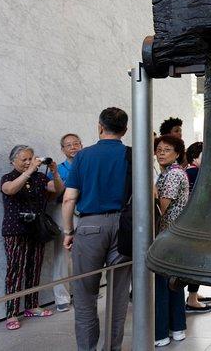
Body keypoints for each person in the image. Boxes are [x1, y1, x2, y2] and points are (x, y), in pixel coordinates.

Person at [62, 108, 132, 351]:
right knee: (118, 296)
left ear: (99, 127)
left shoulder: (84, 156)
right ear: (124, 130)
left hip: (90, 225)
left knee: (84, 295)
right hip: (124, 227)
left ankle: (88, 348)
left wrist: (69, 231)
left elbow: (69, 199)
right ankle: (112, 348)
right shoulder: (131, 155)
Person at [1, 145, 64, 330]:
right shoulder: (8, 178)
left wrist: (55, 172)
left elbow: (57, 189)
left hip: (37, 229)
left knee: (34, 268)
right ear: (13, 161)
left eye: (31, 158)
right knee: (15, 271)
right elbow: (10, 190)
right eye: (24, 159)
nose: (29, 162)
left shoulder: (39, 177)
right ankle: (11, 314)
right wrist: (29, 171)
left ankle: (31, 306)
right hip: (15, 230)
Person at [154, 135, 190, 346]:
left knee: (162, 285)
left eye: (167, 149)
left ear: (177, 153)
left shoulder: (173, 175)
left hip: (167, 237)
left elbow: (161, 207)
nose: (161, 152)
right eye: (159, 149)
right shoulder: (170, 173)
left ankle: (160, 334)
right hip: (174, 236)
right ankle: (177, 328)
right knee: (173, 284)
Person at [46, 133, 83, 312]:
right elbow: (54, 192)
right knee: (62, 255)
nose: (73, 147)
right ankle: (62, 297)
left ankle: (82, 293)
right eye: (69, 145)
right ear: (62, 150)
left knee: (84, 255)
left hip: (85, 212)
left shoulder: (88, 166)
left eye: (76, 143)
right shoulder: (58, 169)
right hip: (63, 212)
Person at [183, 141, 211, 313]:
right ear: (195, 157)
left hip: (195, 222)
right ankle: (192, 299)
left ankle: (194, 294)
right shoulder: (195, 173)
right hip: (197, 223)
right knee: (197, 261)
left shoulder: (191, 172)